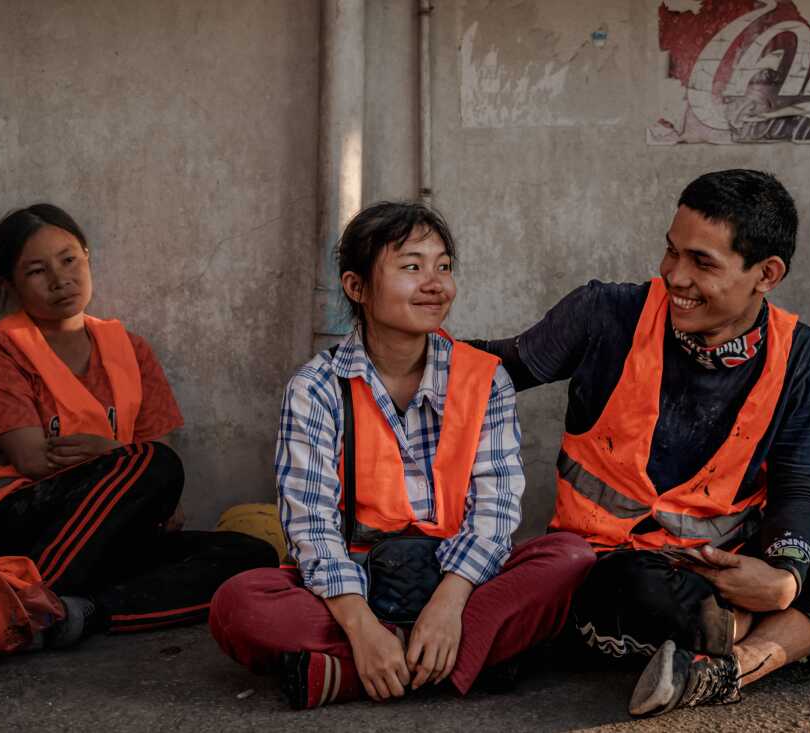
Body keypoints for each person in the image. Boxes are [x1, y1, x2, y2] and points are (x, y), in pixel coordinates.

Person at [474, 170, 810, 718]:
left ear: (766, 274)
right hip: (623, 571)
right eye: (671, 252)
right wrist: (398, 338)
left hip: (740, 564)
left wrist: (783, 575)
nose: (675, 275)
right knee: (619, 589)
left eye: (702, 262)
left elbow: (797, 485)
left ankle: (734, 663)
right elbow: (496, 369)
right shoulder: (606, 314)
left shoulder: (798, 354)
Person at [209, 201, 595, 710]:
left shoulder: (485, 379)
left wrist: (449, 604)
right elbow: (312, 526)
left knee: (570, 560)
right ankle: (458, 657)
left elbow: (495, 514)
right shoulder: (317, 387)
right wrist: (362, 626)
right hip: (361, 578)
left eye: (443, 267)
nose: (436, 284)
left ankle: (350, 673)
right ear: (356, 287)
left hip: (458, 579)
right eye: (412, 267)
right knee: (239, 604)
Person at [0, 204, 276, 648]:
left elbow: (153, 462)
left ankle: (79, 613)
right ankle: (25, 596)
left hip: (108, 525)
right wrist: (119, 457)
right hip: (23, 522)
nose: (59, 279)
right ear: (11, 285)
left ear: (87, 256)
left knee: (254, 557)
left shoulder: (129, 347)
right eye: (37, 271)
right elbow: (34, 458)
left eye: (69, 259)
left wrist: (121, 463)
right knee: (156, 465)